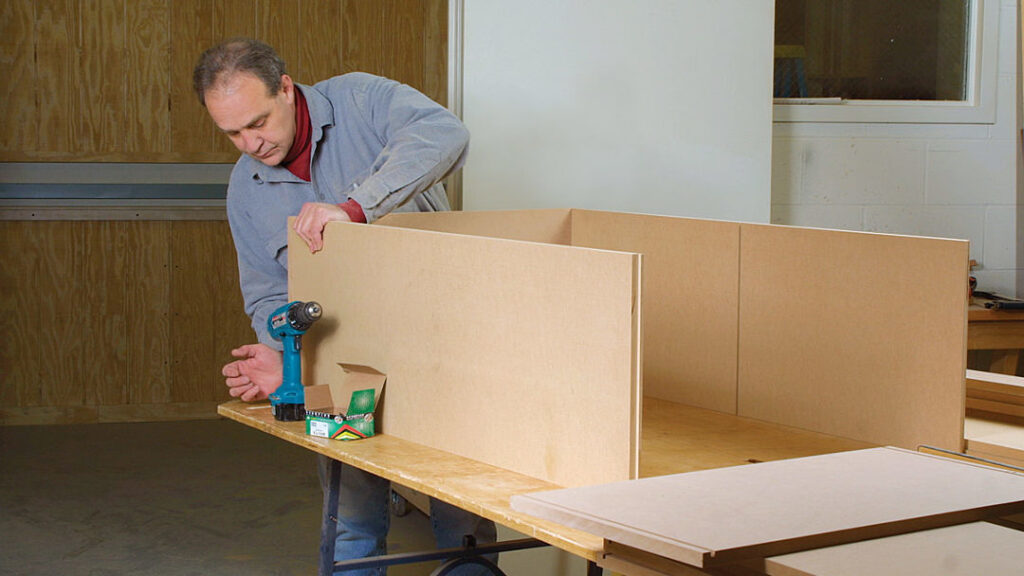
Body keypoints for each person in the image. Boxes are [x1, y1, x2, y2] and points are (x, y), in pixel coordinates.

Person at [193, 38, 497, 575]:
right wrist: (284, 357)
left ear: (286, 88)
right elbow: (266, 293)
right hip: (344, 375)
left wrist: (357, 208)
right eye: (233, 133)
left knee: (459, 509)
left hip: (442, 353)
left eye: (258, 122)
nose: (250, 143)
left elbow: (446, 134)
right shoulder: (245, 187)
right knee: (351, 515)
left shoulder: (360, 100)